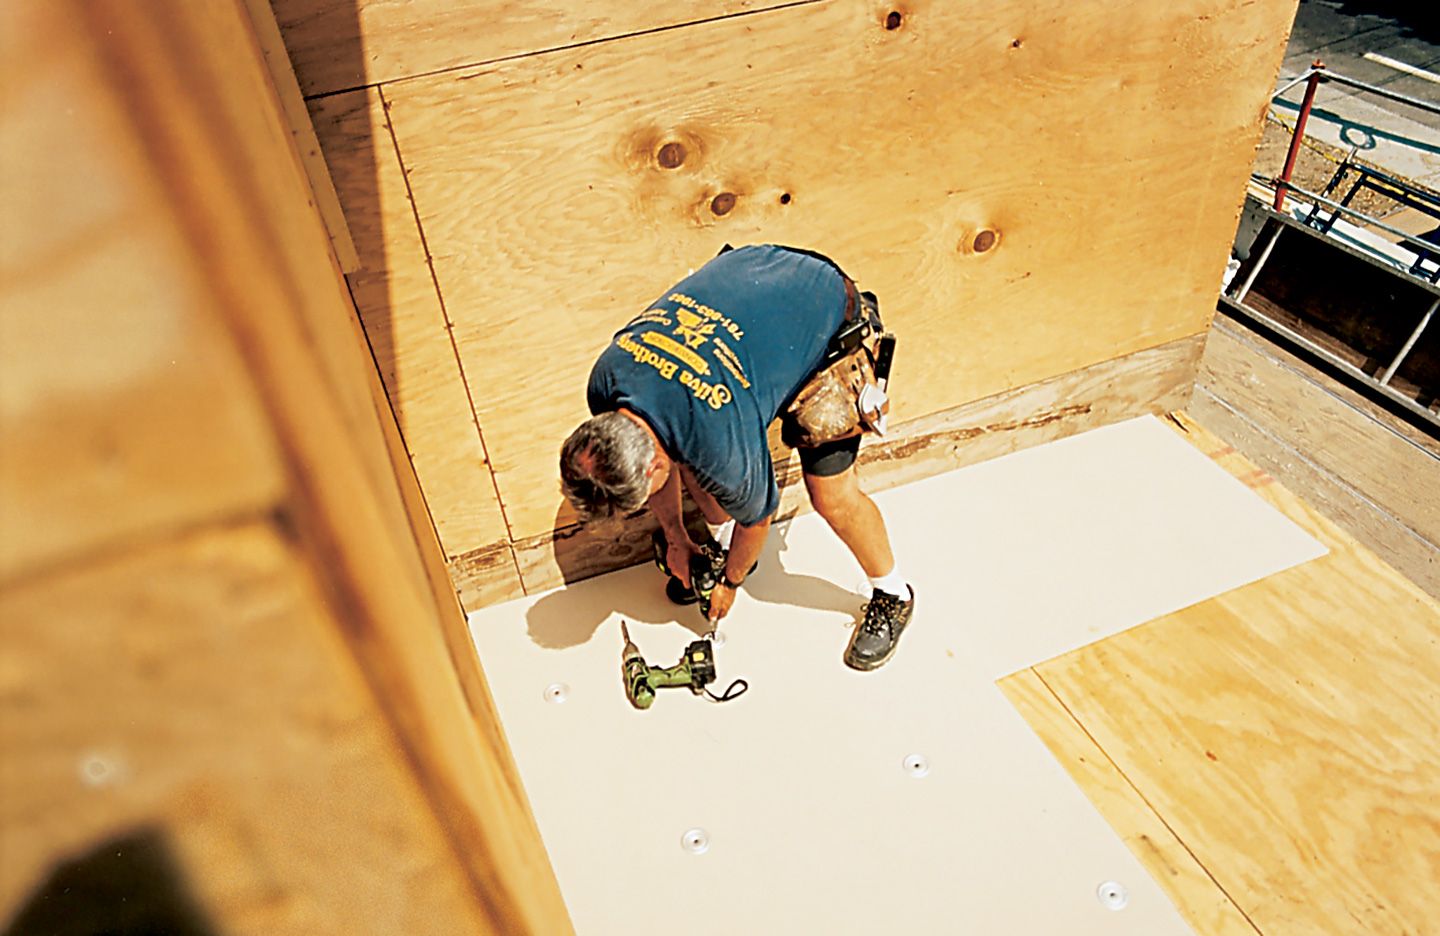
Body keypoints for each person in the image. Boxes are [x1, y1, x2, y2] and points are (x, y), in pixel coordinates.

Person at [559, 245, 915, 671]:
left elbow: (758, 518)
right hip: (754, 282)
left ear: (651, 465)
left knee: (831, 497)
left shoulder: (715, 438)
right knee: (692, 457)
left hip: (824, 307)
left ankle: (894, 594)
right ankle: (725, 547)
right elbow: (667, 453)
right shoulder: (608, 379)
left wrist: (731, 581)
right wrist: (677, 538)